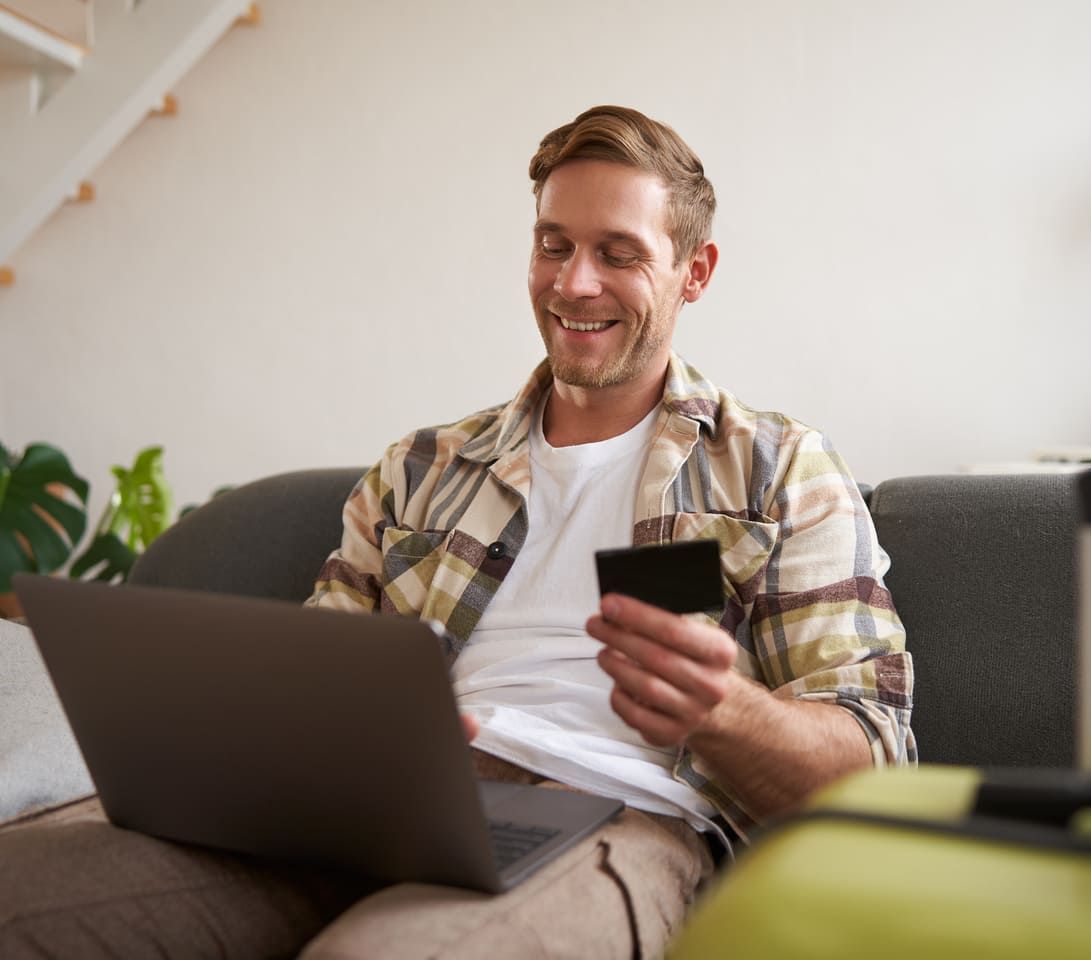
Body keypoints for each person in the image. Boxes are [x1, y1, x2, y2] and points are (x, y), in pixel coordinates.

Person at [0, 105, 914, 960]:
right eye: (553, 245)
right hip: (370, 810)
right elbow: (308, 681)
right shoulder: (420, 467)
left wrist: (722, 713)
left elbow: (872, 758)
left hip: (611, 817)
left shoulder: (777, 469)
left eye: (617, 253)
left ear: (695, 272)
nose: (573, 281)